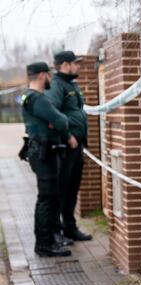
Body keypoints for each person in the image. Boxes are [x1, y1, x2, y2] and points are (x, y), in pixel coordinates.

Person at [21, 62, 78, 257]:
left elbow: (56, 121)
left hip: (40, 152)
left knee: (50, 198)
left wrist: (54, 121)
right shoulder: (37, 99)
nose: (51, 79)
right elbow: (62, 120)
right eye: (49, 76)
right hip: (44, 153)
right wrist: (56, 121)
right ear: (42, 75)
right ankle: (45, 244)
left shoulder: (27, 97)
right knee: (47, 199)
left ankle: (51, 238)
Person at [45, 51, 92, 242]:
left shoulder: (71, 84)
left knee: (72, 189)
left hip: (77, 145)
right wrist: (68, 135)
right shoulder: (56, 85)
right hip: (66, 145)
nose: (78, 66)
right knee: (62, 189)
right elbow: (51, 114)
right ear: (65, 64)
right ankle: (56, 232)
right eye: (75, 63)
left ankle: (69, 228)